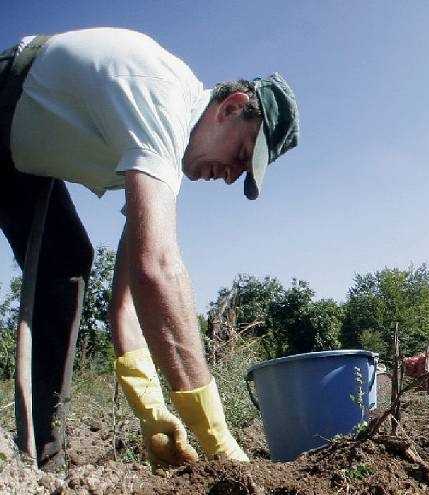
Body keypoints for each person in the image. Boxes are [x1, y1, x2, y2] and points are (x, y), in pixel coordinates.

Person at [0, 28, 299, 471]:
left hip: (24, 152)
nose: (233, 175)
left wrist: (152, 414)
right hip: (8, 100)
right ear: (232, 107)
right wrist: (217, 438)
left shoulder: (157, 163)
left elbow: (126, 307)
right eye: (241, 155)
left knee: (67, 261)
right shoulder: (163, 102)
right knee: (67, 259)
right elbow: (157, 270)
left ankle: (45, 460)